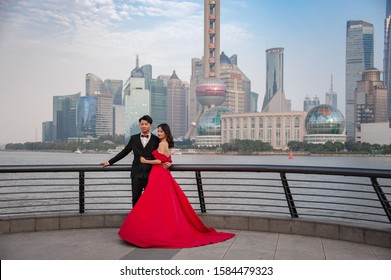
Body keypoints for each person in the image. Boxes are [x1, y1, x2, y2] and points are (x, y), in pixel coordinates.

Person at [118, 123, 235, 248]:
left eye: (161, 132)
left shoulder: (163, 144)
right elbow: (167, 159)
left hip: (159, 174)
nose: (158, 133)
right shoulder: (164, 143)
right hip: (161, 174)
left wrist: (146, 161)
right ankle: (156, 230)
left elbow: (160, 161)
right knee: (159, 203)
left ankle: (150, 232)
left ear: (166, 133)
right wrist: (168, 162)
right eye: (158, 131)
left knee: (151, 202)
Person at [101, 115, 170, 207]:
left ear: (150, 125)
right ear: (139, 125)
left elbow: (165, 153)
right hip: (136, 174)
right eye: (142, 124)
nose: (143, 126)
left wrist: (169, 162)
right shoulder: (134, 138)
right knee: (135, 198)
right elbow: (124, 152)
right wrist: (110, 162)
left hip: (151, 174)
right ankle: (136, 220)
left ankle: (149, 220)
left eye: (146, 124)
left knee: (151, 199)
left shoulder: (156, 139)